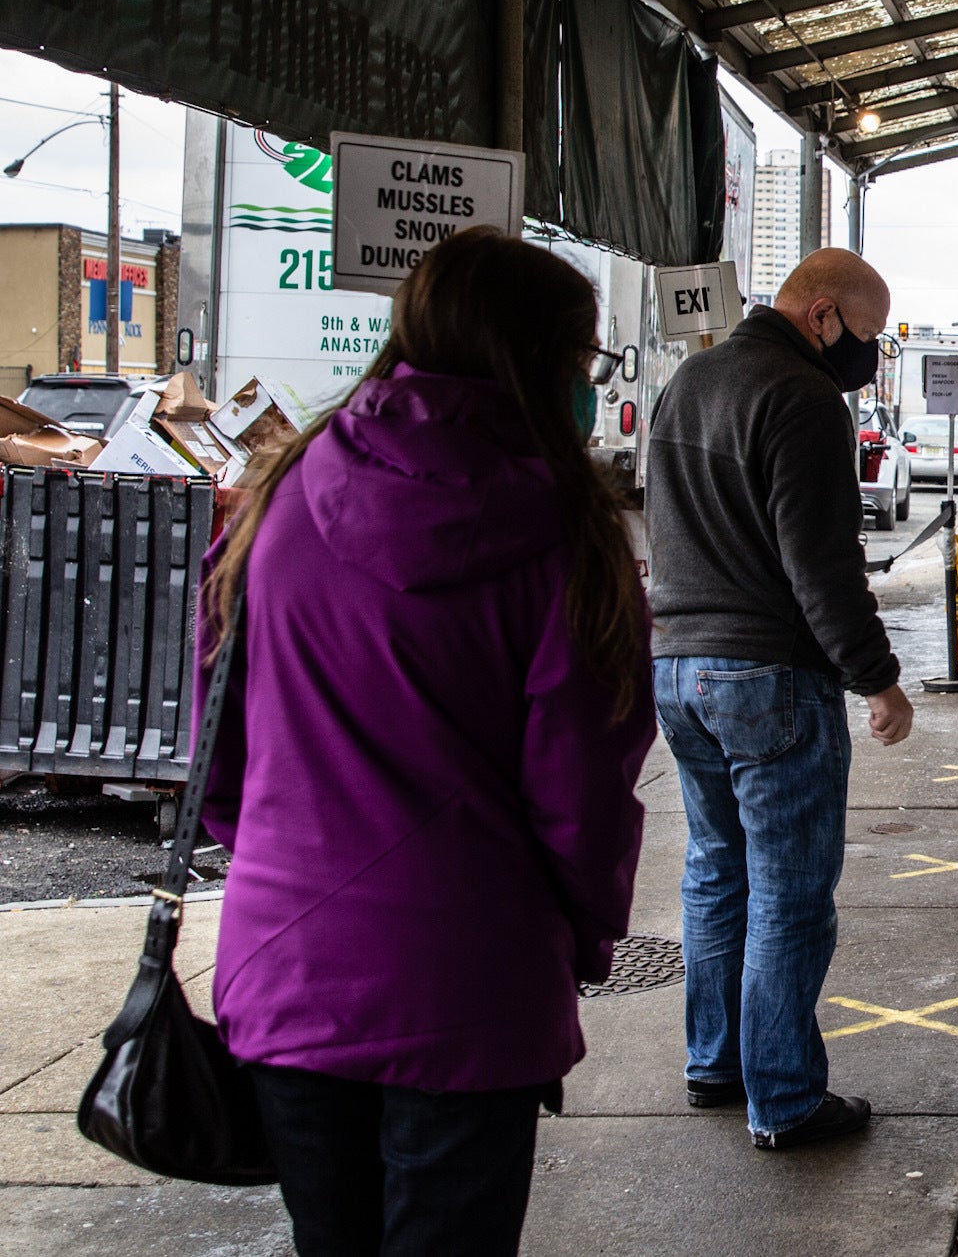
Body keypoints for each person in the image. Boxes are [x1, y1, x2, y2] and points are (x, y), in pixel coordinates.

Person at [196, 228, 655, 1256]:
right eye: (583, 362)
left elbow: (216, 743)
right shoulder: (569, 536)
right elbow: (580, 788)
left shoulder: (279, 491)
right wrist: (581, 935)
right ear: (538, 362)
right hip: (472, 981)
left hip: (288, 968)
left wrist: (282, 861)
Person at [646, 246, 914, 1151]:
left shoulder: (692, 381)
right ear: (823, 314)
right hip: (767, 675)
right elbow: (822, 564)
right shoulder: (802, 399)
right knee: (791, 891)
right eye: (866, 336)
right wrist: (875, 676)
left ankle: (716, 1062)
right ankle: (786, 1097)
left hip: (678, 669)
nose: (865, 358)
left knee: (717, 868)